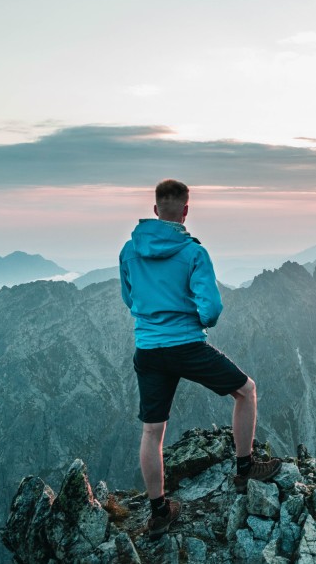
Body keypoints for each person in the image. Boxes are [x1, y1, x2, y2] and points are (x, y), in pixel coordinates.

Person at [120, 179, 281, 539]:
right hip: (187, 345)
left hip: (148, 349)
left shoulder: (129, 250)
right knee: (246, 391)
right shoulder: (193, 253)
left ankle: (159, 510)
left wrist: (154, 316)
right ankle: (244, 468)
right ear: (186, 211)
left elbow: (128, 297)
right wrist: (193, 319)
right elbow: (211, 309)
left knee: (152, 430)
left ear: (156, 209)